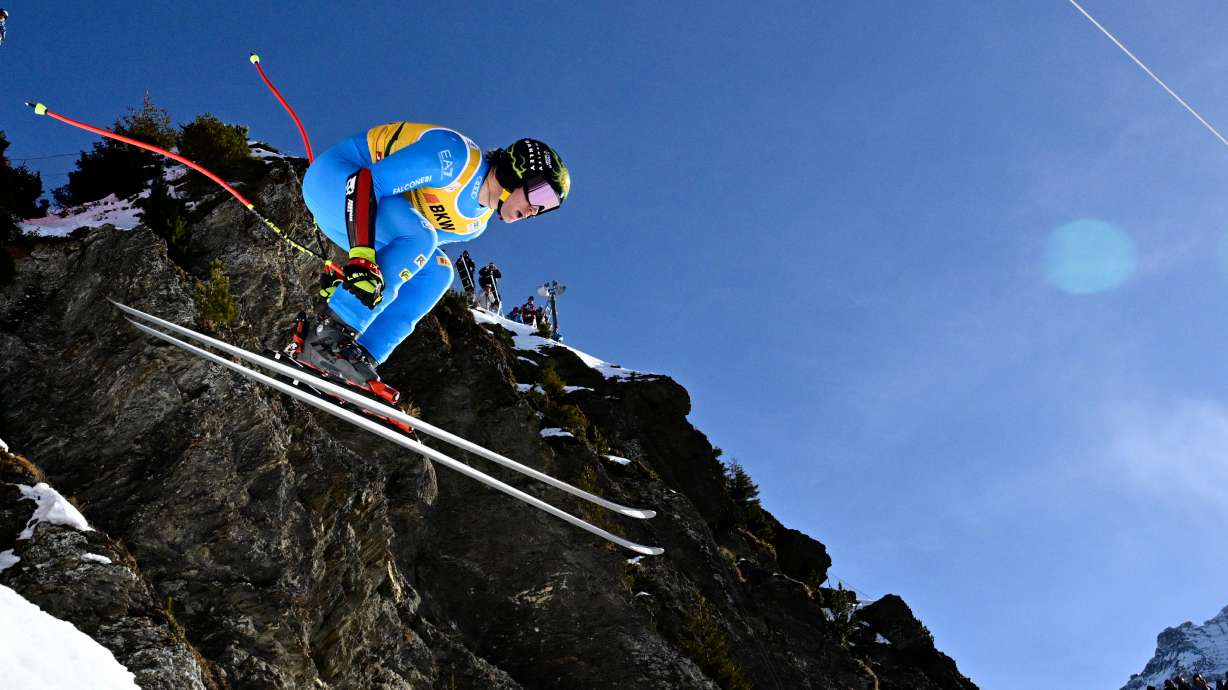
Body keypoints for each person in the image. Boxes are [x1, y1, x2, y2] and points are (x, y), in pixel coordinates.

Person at [293, 123, 569, 390]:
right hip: (336, 180)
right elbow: (367, 181)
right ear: (517, 171)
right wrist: (361, 258)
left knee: (436, 272)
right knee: (423, 237)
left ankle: (360, 356)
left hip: (359, 215)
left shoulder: (473, 224)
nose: (537, 210)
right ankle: (327, 336)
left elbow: (404, 247)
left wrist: (355, 271)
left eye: (547, 207)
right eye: (540, 194)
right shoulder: (455, 159)